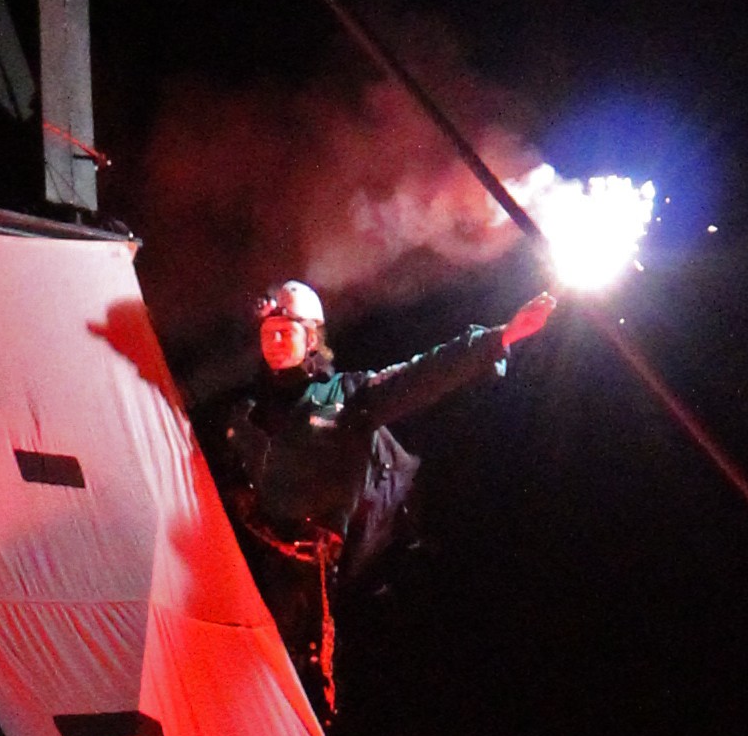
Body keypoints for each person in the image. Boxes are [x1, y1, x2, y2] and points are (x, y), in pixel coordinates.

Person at [213, 275, 557, 711]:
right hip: (253, 574)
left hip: (327, 582)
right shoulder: (243, 415)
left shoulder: (349, 397)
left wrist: (501, 337)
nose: (277, 341)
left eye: (287, 332)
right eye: (269, 334)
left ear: (312, 337)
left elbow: (423, 373)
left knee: (311, 701)